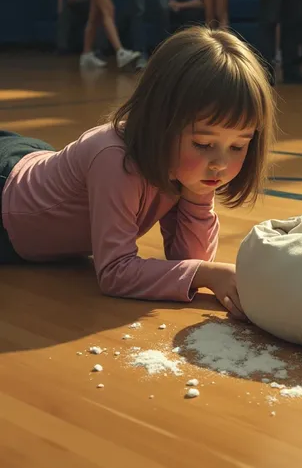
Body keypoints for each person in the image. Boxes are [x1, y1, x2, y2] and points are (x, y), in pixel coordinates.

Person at [0, 26, 276, 320]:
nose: (219, 163)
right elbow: (115, 273)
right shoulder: (115, 160)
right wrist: (206, 274)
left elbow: (188, 260)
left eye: (237, 147)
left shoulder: (188, 165)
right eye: (203, 143)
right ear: (160, 120)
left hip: (34, 166)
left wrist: (197, 196)